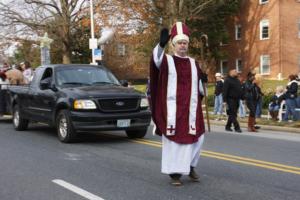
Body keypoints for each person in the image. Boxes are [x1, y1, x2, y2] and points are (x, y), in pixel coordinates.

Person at [150, 22, 206, 186]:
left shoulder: (193, 63)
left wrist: (203, 81)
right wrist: (160, 45)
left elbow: (198, 86)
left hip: (191, 109)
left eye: (185, 43)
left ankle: (190, 166)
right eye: (180, 43)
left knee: (198, 138)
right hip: (172, 110)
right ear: (173, 44)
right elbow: (155, 61)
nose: (183, 45)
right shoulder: (167, 60)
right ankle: (174, 173)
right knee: (175, 141)